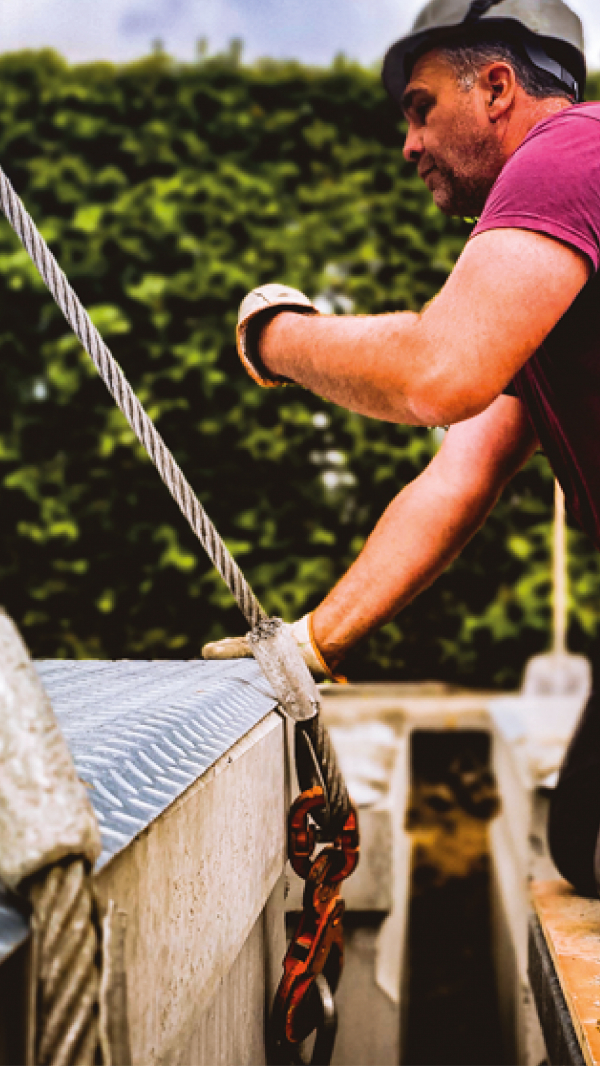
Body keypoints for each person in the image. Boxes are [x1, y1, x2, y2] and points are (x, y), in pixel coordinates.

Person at [204, 0, 600, 895]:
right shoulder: (556, 267)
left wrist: (277, 337)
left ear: (498, 88)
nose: (409, 145)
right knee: (585, 842)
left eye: (420, 108)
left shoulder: (568, 152)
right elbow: (458, 473)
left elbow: (436, 372)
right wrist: (312, 644)